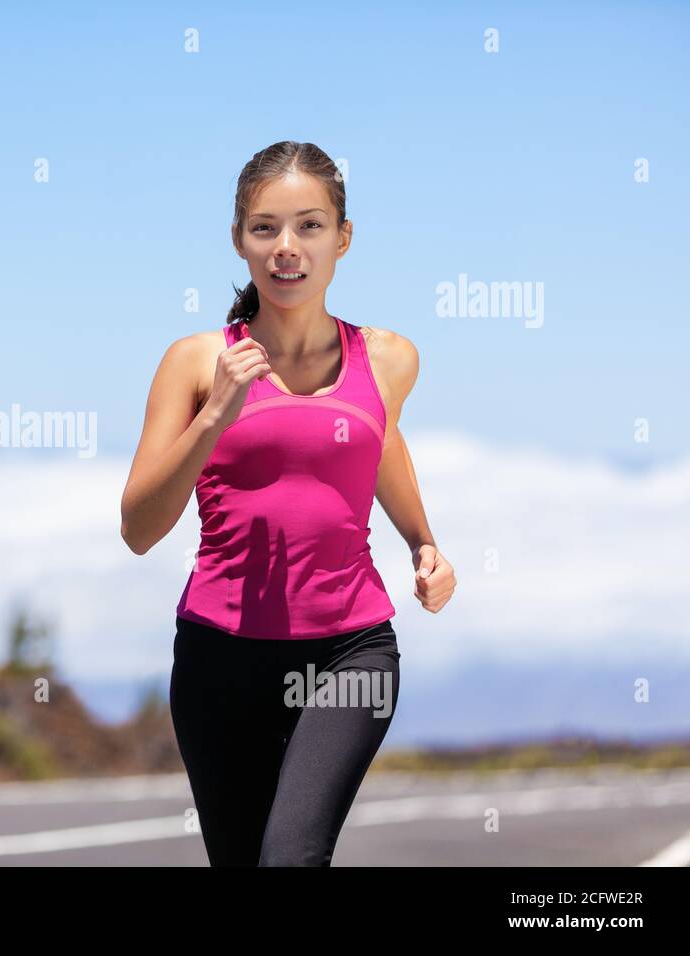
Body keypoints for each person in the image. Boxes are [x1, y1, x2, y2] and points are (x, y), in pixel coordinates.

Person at [120, 141, 456, 866]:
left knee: (291, 858)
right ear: (239, 240)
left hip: (350, 649)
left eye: (309, 225)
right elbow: (139, 529)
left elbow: (377, 446)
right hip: (219, 656)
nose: (287, 247)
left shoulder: (390, 357)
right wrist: (215, 415)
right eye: (265, 228)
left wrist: (423, 542)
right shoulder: (194, 360)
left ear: (343, 237)